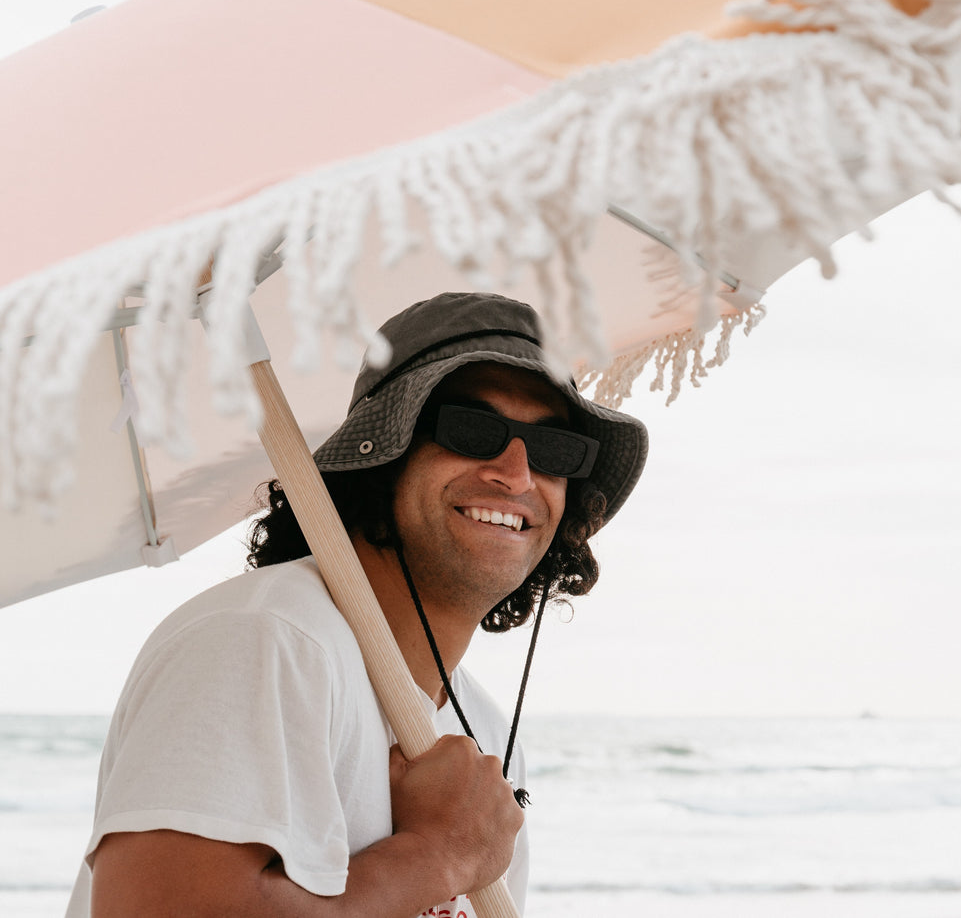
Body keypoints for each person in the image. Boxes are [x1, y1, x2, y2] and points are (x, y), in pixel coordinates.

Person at [67, 291, 648, 918]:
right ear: (382, 458)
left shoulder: (485, 736)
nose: (517, 473)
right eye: (472, 430)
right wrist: (435, 855)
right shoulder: (264, 641)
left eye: (555, 449)